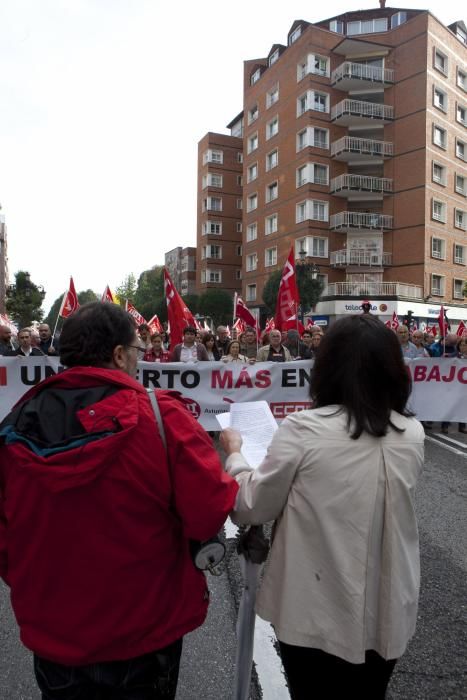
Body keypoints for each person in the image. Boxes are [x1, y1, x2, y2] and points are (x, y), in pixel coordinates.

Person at [0, 302, 238, 700]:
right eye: (138, 352)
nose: (140, 360)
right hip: (144, 637)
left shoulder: (15, 423)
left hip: (55, 636)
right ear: (118, 355)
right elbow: (209, 513)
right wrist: (234, 460)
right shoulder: (163, 419)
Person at [221, 315, 424, 700]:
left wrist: (235, 456)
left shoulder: (303, 429)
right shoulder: (411, 433)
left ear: (326, 368)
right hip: (389, 606)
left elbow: (250, 506)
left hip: (316, 609)